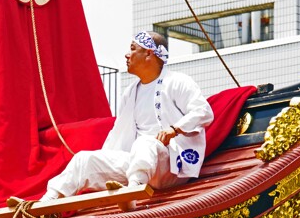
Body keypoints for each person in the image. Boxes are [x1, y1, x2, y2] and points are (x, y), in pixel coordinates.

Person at [41, 32, 214, 201]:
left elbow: (203, 112)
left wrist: (174, 129)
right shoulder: (130, 92)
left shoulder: (178, 81)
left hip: (171, 165)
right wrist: (105, 159)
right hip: (138, 163)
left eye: (132, 49)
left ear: (149, 53)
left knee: (145, 142)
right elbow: (118, 133)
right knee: (84, 159)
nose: (126, 54)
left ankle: (132, 192)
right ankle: (47, 201)